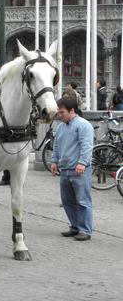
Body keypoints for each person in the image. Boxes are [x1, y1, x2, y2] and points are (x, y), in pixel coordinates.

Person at [51, 97, 94, 241]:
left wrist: (82, 163)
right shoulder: (61, 127)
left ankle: (85, 230)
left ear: (72, 111)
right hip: (65, 170)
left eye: (62, 112)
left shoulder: (83, 125)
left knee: (82, 201)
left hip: (79, 170)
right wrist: (54, 161)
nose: (59, 115)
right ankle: (75, 227)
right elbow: (56, 146)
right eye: (59, 112)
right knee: (67, 201)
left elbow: (86, 146)